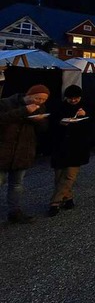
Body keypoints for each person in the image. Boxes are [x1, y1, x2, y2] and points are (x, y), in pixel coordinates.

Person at [0, 84, 50, 223]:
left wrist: (39, 121)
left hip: (23, 150)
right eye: (37, 98)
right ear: (28, 95)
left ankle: (14, 212)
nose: (39, 101)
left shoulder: (40, 108)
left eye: (43, 99)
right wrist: (23, 111)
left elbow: (43, 129)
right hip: (4, 149)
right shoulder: (6, 103)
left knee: (17, 184)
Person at [49, 85, 91, 217]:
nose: (73, 100)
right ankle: (68, 198)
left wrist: (85, 116)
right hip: (60, 145)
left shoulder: (86, 107)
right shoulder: (58, 108)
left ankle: (54, 203)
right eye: (71, 98)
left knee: (70, 175)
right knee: (59, 175)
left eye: (76, 98)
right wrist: (60, 123)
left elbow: (93, 125)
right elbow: (51, 124)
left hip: (77, 146)